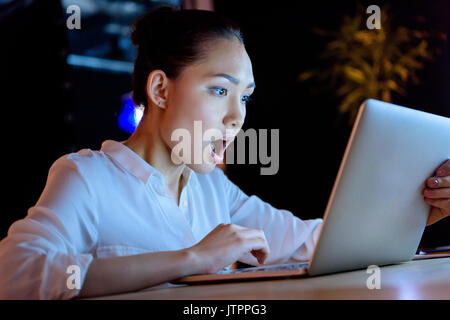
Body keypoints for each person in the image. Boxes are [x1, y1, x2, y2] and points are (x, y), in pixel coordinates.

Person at [0, 6, 448, 300]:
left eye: (246, 98)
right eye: (219, 90)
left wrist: (420, 210)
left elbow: (314, 240)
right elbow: (16, 275)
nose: (237, 117)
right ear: (159, 88)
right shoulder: (86, 177)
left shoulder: (213, 187)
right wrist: (192, 259)